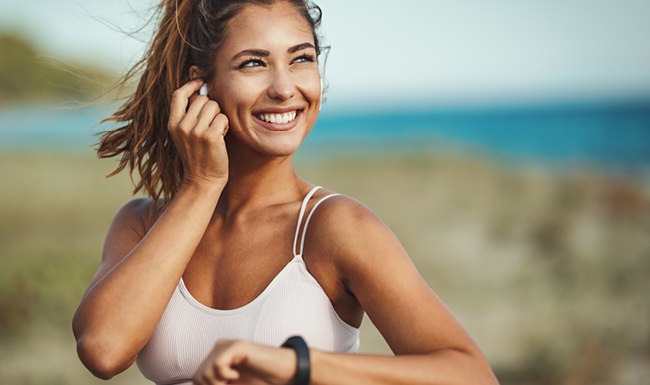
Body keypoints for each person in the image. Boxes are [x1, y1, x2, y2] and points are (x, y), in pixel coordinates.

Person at [72, 0, 500, 384]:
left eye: (301, 60)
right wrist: (201, 185)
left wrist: (299, 366)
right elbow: (103, 350)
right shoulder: (141, 223)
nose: (283, 87)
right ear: (201, 85)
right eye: (254, 63)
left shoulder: (334, 226)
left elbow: (471, 374)